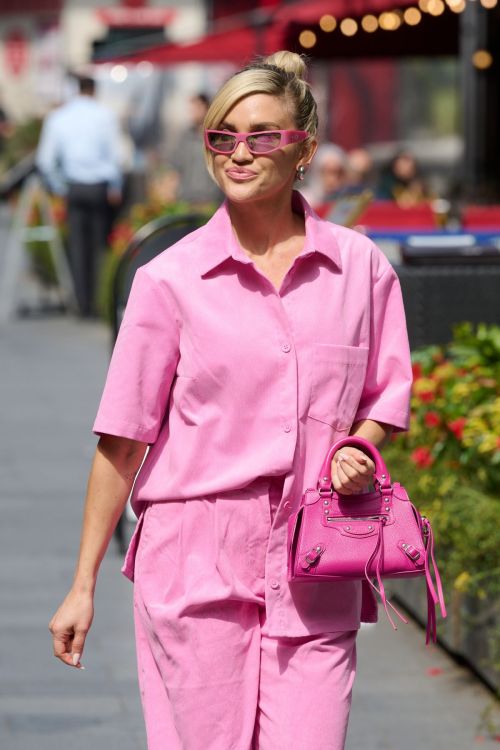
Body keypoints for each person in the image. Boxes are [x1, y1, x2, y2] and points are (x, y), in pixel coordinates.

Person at [48, 51, 412, 750]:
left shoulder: (359, 268)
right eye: (223, 136)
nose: (240, 153)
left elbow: (385, 390)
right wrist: (83, 584)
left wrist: (361, 443)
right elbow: (122, 441)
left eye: (263, 135)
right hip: (194, 559)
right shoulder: (169, 282)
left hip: (316, 562)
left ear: (303, 148)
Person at [36, 76, 123, 317]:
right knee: (99, 245)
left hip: (73, 187)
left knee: (77, 246)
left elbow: (45, 161)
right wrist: (116, 186)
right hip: (99, 187)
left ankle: (82, 303)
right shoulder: (105, 115)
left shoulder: (59, 117)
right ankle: (98, 301)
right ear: (94, 90)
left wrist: (60, 187)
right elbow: (116, 156)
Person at [167, 92, 223, 205]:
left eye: (196, 108)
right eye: (191, 109)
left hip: (211, 200)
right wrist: (170, 190)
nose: (192, 112)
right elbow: (176, 167)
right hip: (186, 199)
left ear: (206, 107)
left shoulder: (216, 137)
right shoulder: (184, 137)